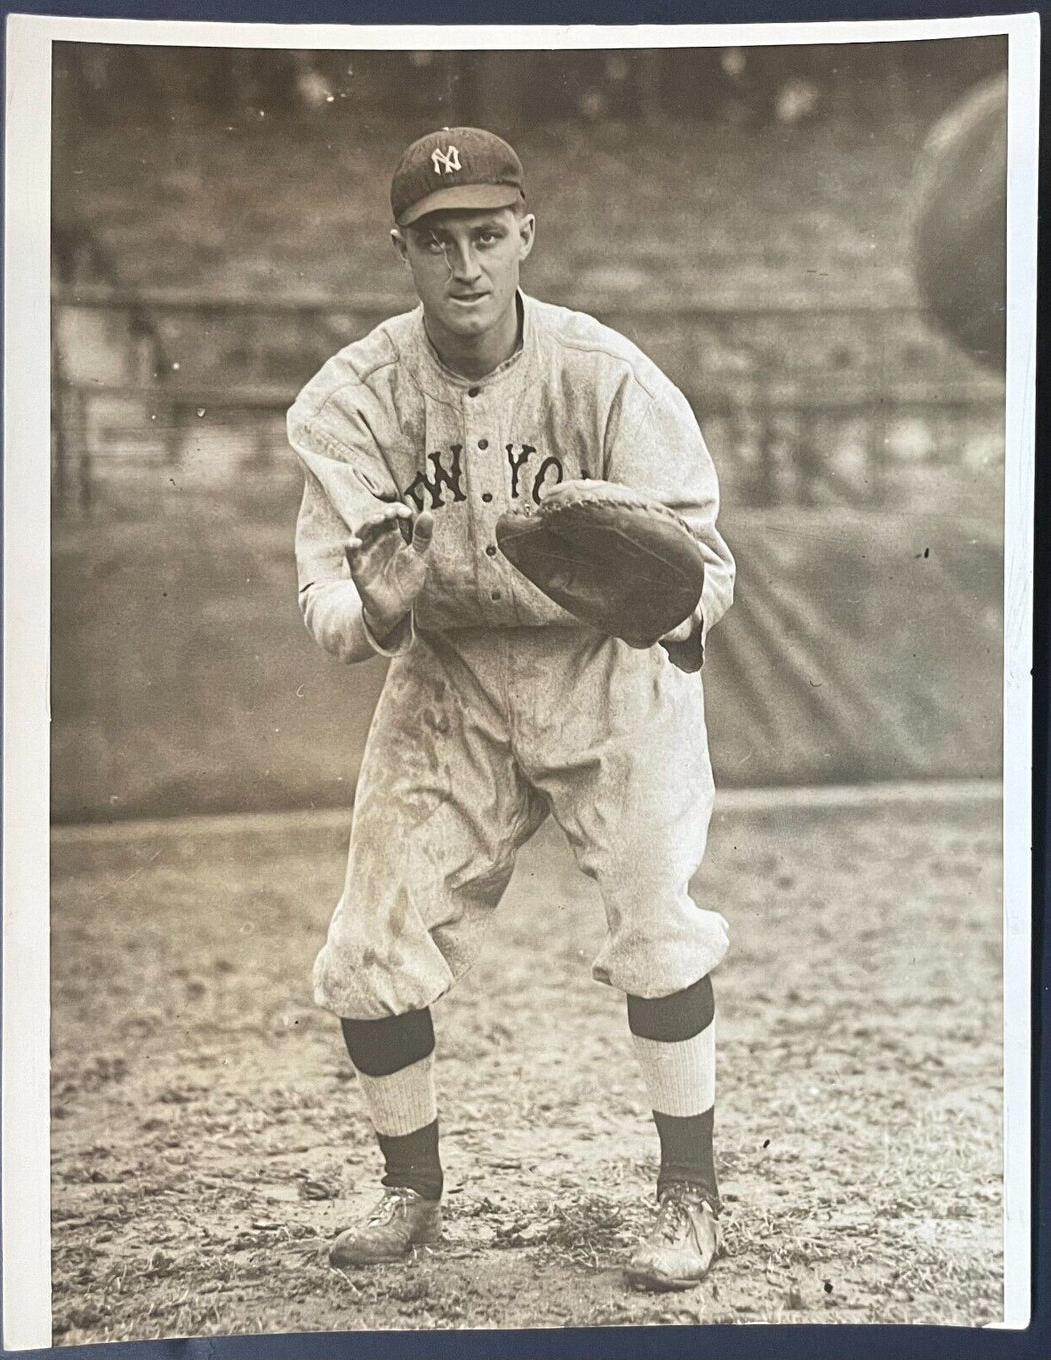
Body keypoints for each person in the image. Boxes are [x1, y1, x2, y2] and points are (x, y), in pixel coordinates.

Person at [287, 127, 735, 1292]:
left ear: (525, 234)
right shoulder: (352, 400)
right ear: (403, 252)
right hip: (449, 676)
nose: (467, 265)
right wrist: (373, 612)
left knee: (655, 918)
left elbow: (706, 564)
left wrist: (667, 600)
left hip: (607, 667)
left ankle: (687, 1187)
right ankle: (410, 1186)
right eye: (438, 242)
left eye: (488, 235)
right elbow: (323, 599)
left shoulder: (607, 378)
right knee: (370, 939)